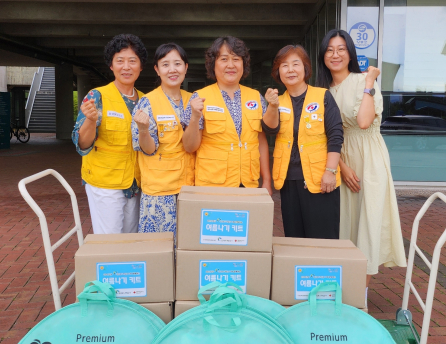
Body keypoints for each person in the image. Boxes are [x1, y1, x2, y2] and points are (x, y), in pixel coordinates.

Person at [317, 28, 406, 283]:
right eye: (329, 50)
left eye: (341, 49)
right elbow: (323, 136)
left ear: (350, 54)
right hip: (338, 160)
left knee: (366, 224)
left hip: (368, 159)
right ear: (323, 55)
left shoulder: (363, 81)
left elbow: (364, 122)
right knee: (345, 224)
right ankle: (343, 289)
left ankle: (361, 295)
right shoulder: (322, 91)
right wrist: (341, 167)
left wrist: (369, 84)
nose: (335, 55)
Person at [262, 44, 343, 239]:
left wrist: (330, 171)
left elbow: (336, 135)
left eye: (295, 64)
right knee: (294, 238)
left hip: (321, 179)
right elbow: (270, 130)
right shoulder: (277, 101)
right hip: (289, 180)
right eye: (284, 65)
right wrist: (272, 106)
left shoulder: (323, 96)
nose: (290, 70)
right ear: (278, 72)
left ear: (305, 68)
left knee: (322, 239)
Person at [182, 36, 279, 192]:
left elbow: (260, 142)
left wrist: (267, 180)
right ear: (213, 64)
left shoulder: (256, 97)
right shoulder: (199, 98)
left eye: (236, 59)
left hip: (247, 184)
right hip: (212, 185)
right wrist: (194, 117)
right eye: (224, 59)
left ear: (243, 64)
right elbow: (189, 146)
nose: (231, 65)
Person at [72, 33, 147, 234]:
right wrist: (90, 120)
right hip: (105, 184)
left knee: (130, 240)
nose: (126, 67)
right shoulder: (97, 96)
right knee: (109, 241)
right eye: (120, 61)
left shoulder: (145, 101)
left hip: (135, 184)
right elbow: (82, 144)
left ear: (141, 66)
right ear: (111, 65)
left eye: (133, 61)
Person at [131, 43, 195, 236]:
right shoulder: (147, 102)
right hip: (160, 192)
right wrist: (143, 130)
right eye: (165, 64)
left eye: (177, 63)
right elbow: (148, 149)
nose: (172, 69)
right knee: (159, 246)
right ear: (157, 70)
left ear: (186, 67)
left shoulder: (194, 100)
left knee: (188, 243)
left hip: (190, 186)